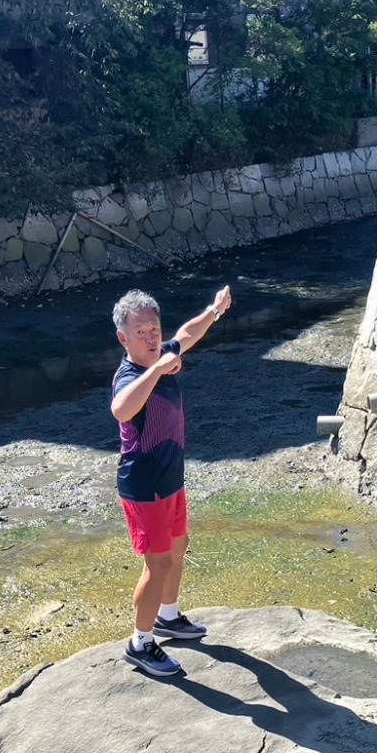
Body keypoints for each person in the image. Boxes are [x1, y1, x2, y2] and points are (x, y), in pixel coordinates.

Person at [110, 284, 232, 676]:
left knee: (179, 548)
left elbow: (186, 335)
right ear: (123, 339)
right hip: (144, 487)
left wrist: (214, 310)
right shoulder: (130, 375)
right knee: (158, 564)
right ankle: (140, 643)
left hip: (171, 479)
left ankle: (168, 616)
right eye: (140, 332)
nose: (151, 338)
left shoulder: (162, 354)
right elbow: (121, 409)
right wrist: (158, 369)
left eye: (154, 330)